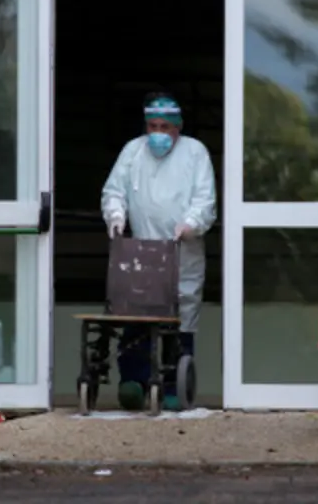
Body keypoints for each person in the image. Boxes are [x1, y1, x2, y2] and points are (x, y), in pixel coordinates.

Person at [101, 93, 217, 410]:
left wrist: (190, 224)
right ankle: (133, 383)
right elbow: (114, 191)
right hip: (140, 252)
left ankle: (173, 386)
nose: (158, 133)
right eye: (152, 125)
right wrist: (115, 216)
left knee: (179, 320)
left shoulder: (195, 153)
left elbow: (205, 200)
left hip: (183, 252)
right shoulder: (133, 152)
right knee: (137, 314)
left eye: (165, 126)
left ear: (178, 127)